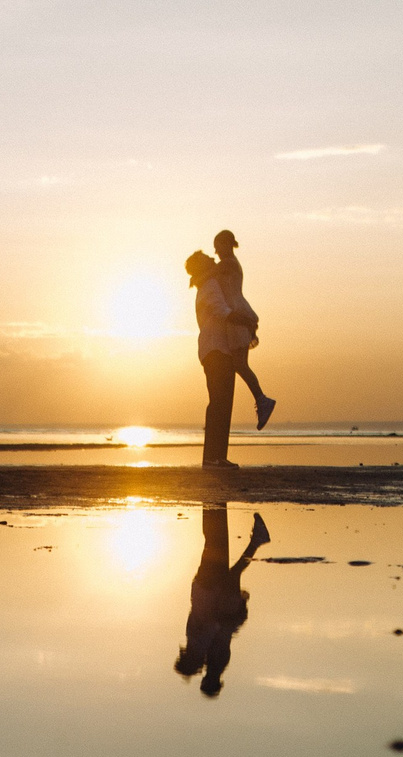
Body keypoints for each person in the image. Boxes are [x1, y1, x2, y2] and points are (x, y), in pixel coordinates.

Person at [174, 504, 272, 696]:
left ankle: (215, 506)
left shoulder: (206, 654)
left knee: (216, 545)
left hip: (211, 594)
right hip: (213, 595)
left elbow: (216, 628)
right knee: (215, 545)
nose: (203, 674)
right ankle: (216, 508)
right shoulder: (208, 654)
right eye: (207, 680)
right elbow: (214, 626)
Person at [211, 230, 275, 432]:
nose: (216, 251)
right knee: (236, 363)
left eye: (218, 246)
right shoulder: (230, 263)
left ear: (226, 244)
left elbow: (209, 273)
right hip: (234, 314)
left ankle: (262, 399)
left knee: (239, 363)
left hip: (237, 313)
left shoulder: (229, 263)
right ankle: (260, 399)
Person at [187, 252, 242, 469]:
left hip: (218, 349)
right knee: (219, 402)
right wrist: (246, 319)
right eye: (207, 258)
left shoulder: (209, 283)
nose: (212, 258)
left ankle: (217, 457)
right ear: (201, 266)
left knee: (222, 402)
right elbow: (222, 311)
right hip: (215, 349)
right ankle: (212, 458)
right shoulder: (209, 285)